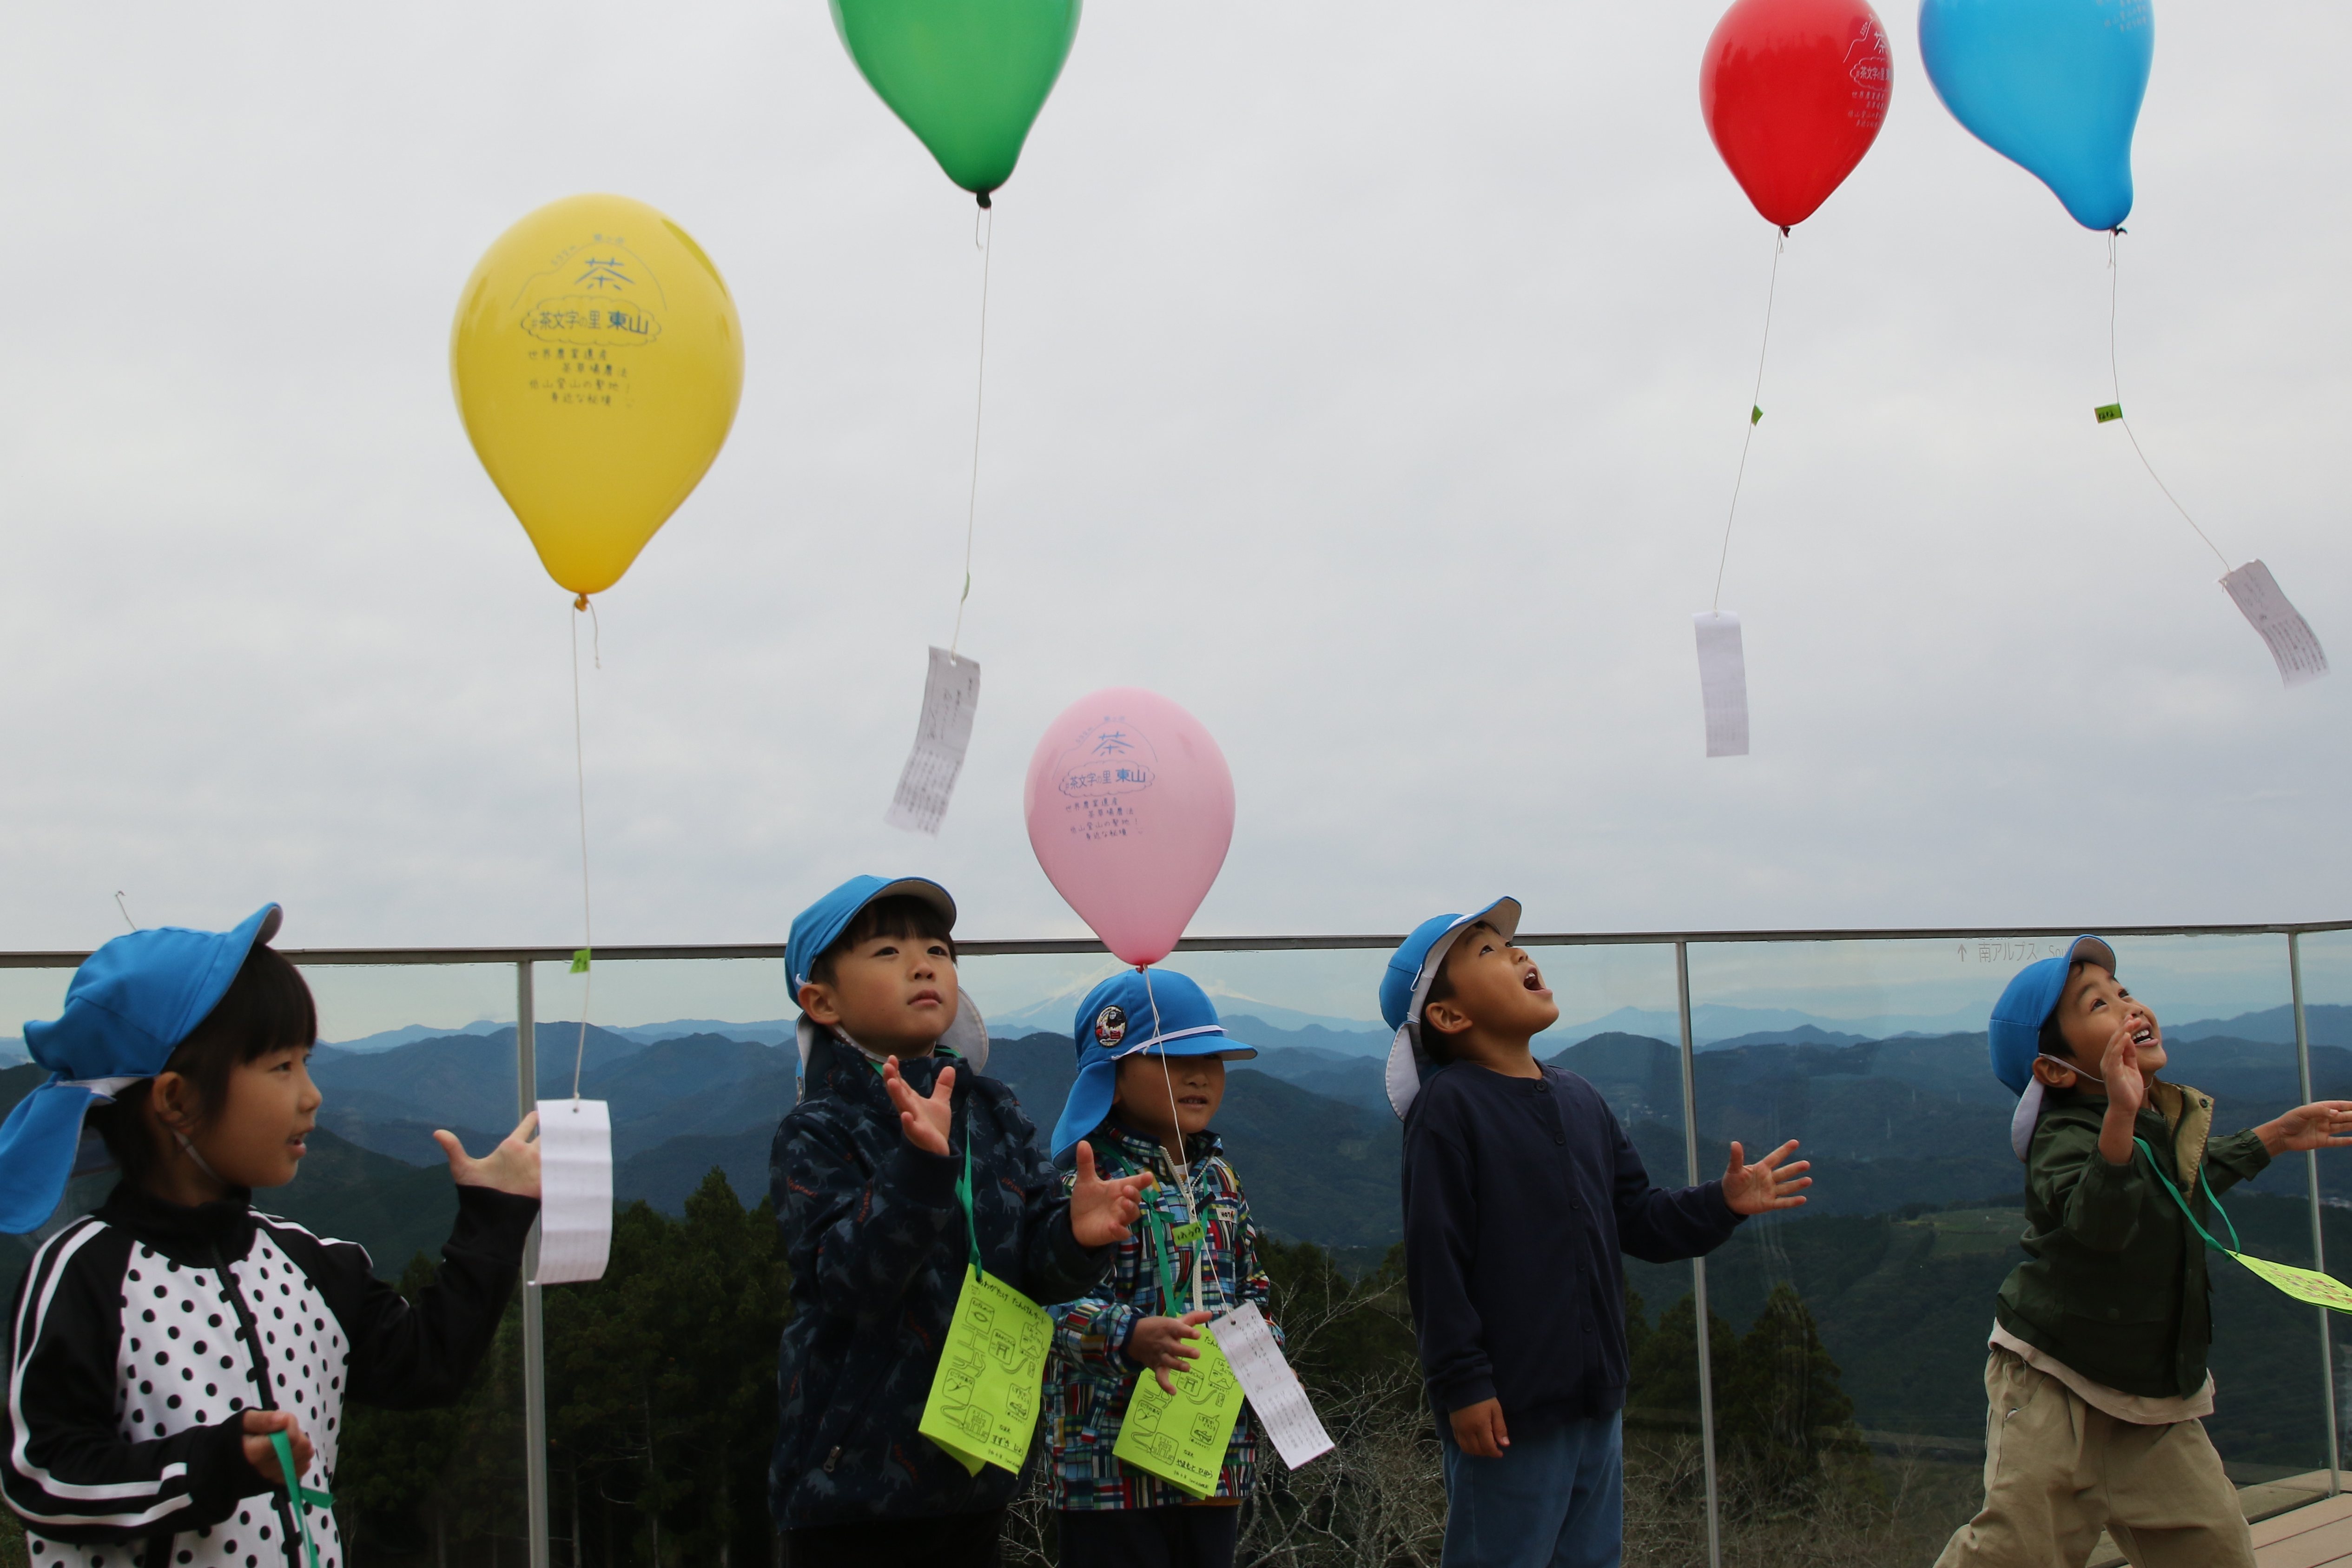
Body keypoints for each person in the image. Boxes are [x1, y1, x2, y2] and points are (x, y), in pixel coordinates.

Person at [0, 905, 542, 1568]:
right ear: (176, 1101)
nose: (312, 1094)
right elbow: (41, 1474)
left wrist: (495, 1214)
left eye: (305, 1062)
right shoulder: (82, 1276)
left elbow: (427, 1365)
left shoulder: (313, 1263)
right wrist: (209, 1465)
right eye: (281, 1066)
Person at [1386, 899, 1812, 1568]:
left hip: (1595, 1399)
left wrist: (1722, 1203)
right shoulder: (1450, 1108)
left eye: (1510, 942)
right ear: (1448, 1015)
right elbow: (1436, 1259)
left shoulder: (1580, 1096)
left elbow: (1638, 1216)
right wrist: (1462, 1383)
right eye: (1489, 951)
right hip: (1508, 1409)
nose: (1519, 952)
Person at [766, 875, 1156, 1568]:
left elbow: (1034, 1264)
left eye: (939, 949)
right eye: (887, 951)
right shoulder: (818, 1131)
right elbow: (849, 1282)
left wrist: (1074, 1233)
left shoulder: (992, 1108)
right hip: (850, 1482)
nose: (923, 963)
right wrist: (919, 1167)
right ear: (821, 1000)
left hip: (977, 1466)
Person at [1935, 935, 2352, 1568]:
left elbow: (2179, 1184)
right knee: (2017, 1550)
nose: (2129, 1007)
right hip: (2054, 1377)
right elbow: (2100, 1223)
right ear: (2054, 1068)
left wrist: (2275, 1136)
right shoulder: (2065, 1136)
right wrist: (2120, 1122)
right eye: (2097, 1004)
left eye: (2123, 991)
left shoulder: (2152, 1117)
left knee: (2214, 1547)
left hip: (2150, 1394)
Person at [1041, 969, 1278, 1568]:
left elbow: (1254, 1287)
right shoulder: (1086, 1185)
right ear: (1111, 1078)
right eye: (1173, 1058)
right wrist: (1129, 1336)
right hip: (1107, 1470)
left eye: (1213, 1058)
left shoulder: (1220, 1179)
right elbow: (1048, 1301)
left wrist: (1265, 1351)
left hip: (1211, 1450)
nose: (1200, 1075)